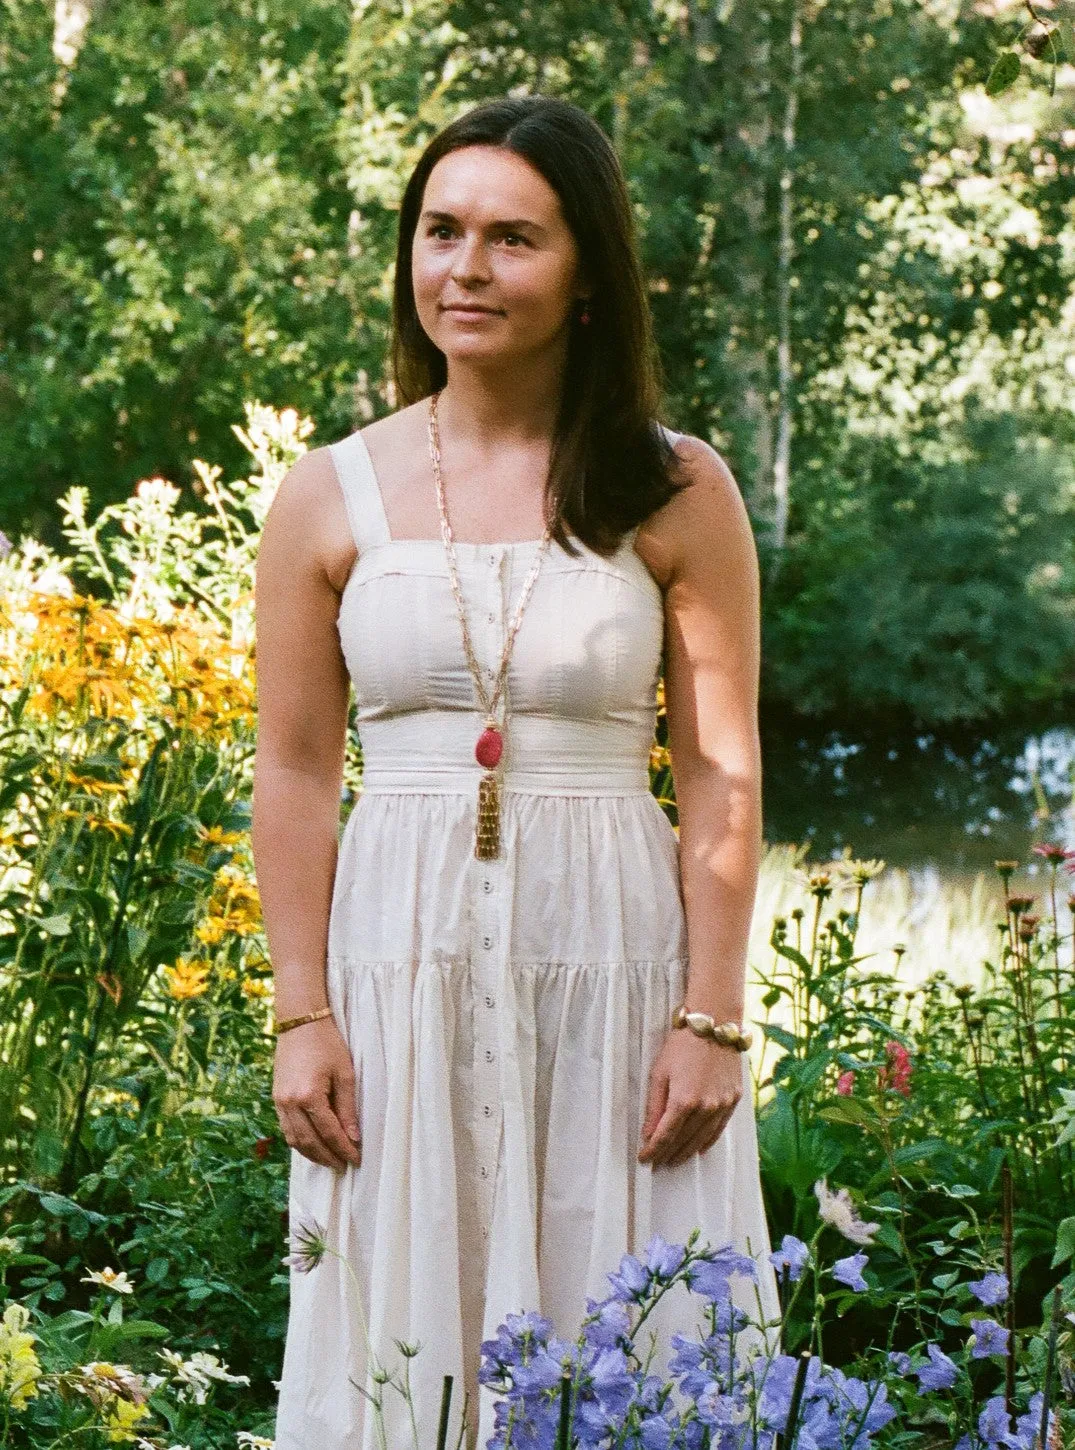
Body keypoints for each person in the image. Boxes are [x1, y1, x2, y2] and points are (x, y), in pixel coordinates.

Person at [253, 93, 779, 1450]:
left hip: (609, 963)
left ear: (589, 273)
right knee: (407, 1325)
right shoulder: (331, 493)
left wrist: (710, 1016)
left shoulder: (674, 487)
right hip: (397, 967)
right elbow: (299, 769)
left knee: (627, 1318)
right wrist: (299, 1011)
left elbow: (720, 770)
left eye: (510, 238)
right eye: (440, 231)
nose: (465, 268)